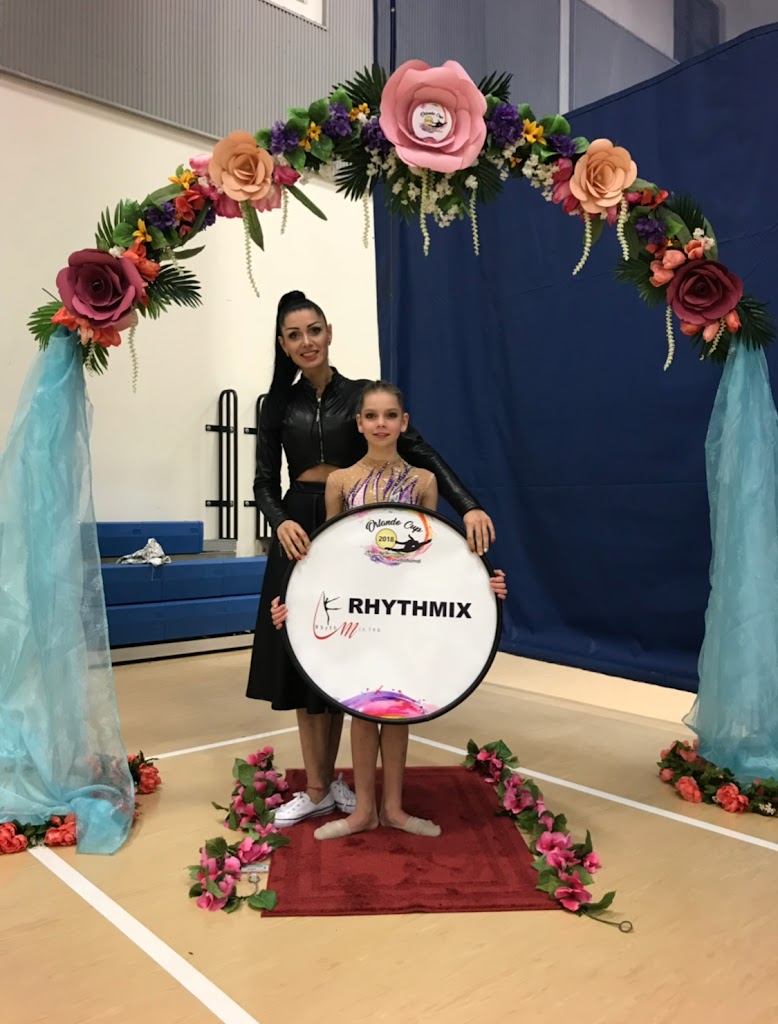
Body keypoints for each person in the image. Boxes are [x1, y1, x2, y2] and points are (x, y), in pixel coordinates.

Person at [248, 291, 497, 827]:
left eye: (314, 330)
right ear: (283, 344)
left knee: (348, 649)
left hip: (354, 524)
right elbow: (263, 482)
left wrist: (469, 505)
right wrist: (280, 520)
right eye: (294, 335)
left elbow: (422, 452)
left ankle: (341, 784)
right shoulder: (276, 405)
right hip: (299, 527)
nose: (306, 342)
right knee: (302, 653)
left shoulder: (362, 396)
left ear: (329, 332)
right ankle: (316, 786)